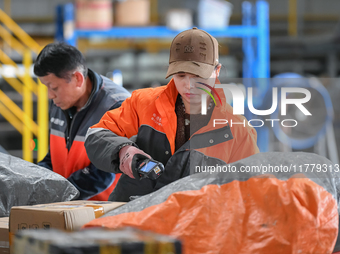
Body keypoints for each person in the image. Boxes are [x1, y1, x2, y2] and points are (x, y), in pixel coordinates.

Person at [85, 28, 259, 202]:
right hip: (127, 218)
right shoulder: (143, 103)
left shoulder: (238, 131)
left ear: (217, 70)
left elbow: (252, 193)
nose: (189, 85)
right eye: (181, 75)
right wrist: (123, 151)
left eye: (198, 75)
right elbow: (96, 134)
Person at [34, 42, 130, 201]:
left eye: (54, 87)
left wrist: (56, 196)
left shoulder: (116, 107)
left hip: (105, 213)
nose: (50, 95)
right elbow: (54, 158)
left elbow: (101, 175)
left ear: (77, 79)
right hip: (69, 208)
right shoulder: (62, 102)